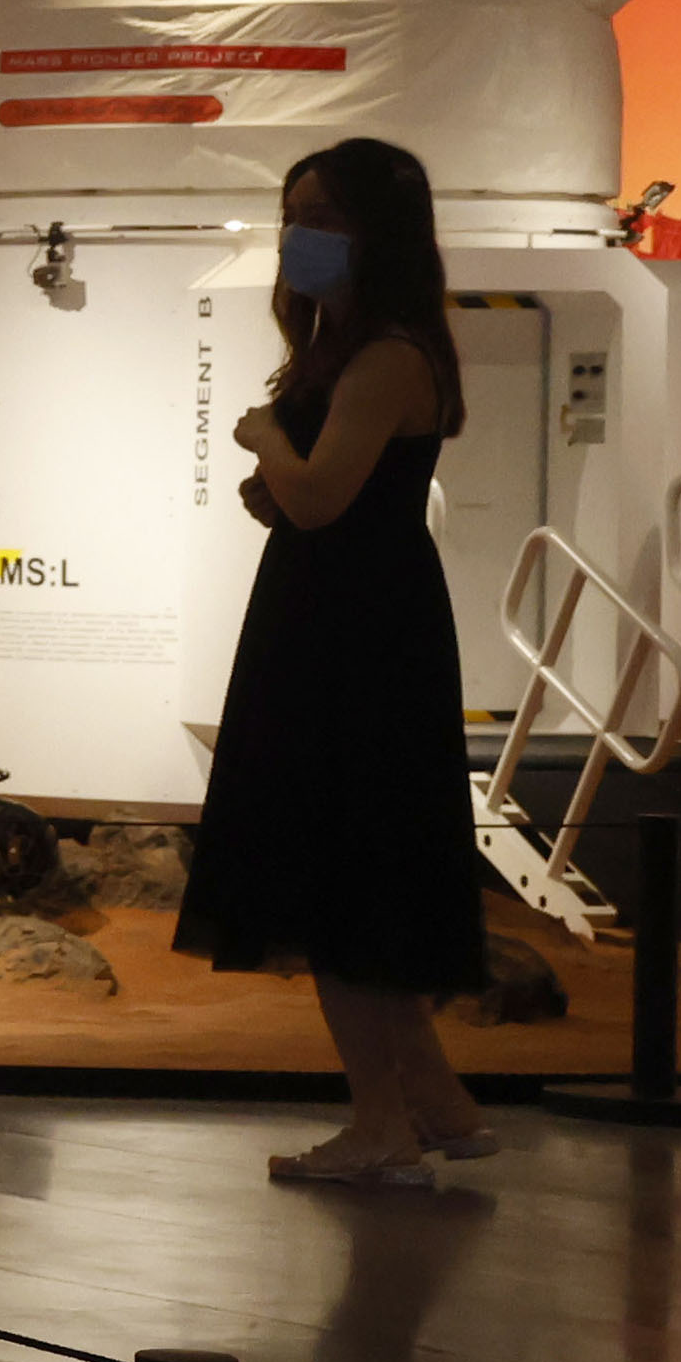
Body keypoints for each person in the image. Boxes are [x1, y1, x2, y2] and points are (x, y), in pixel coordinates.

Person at [175, 135, 500, 1190]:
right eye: (294, 208)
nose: (298, 234)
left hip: (353, 635)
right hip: (345, 615)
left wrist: (266, 434)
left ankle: (379, 1125)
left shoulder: (386, 355)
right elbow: (320, 494)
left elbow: (317, 494)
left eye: (322, 214)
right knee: (357, 870)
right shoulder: (360, 350)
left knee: (339, 878)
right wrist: (283, 464)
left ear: (378, 232)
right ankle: (439, 1103)